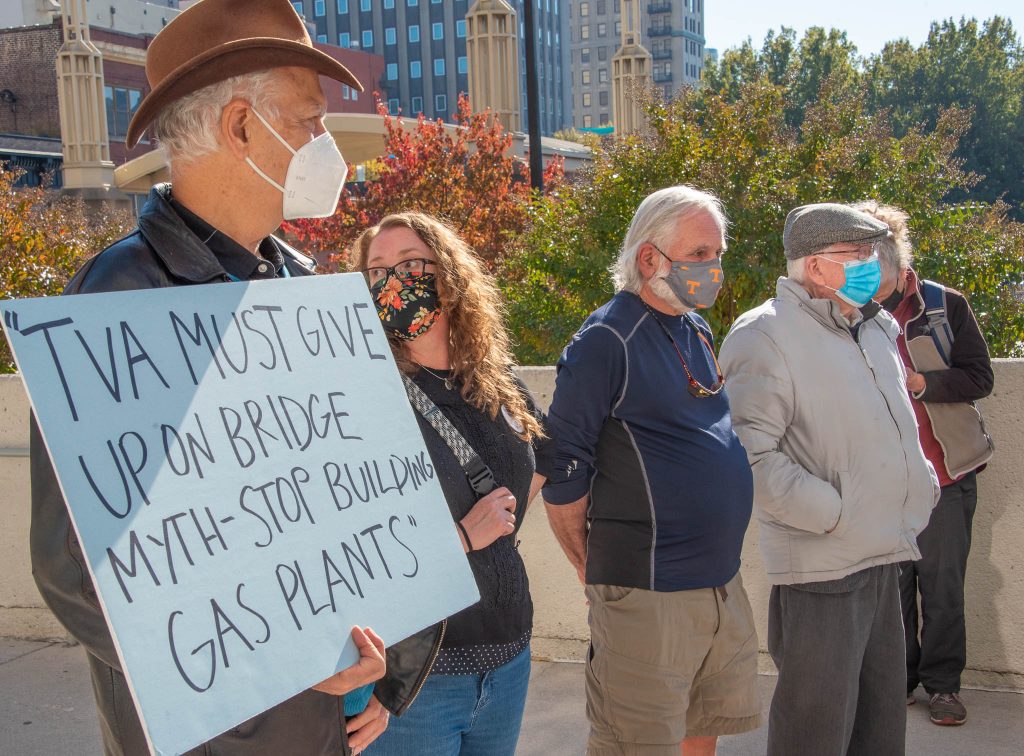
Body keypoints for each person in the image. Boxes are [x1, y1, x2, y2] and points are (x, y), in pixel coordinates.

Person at [29, 2, 437, 754]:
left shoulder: (305, 285)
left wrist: (390, 672)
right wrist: (265, 670)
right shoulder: (121, 296)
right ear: (242, 127)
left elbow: (362, 505)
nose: (326, 143)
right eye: (310, 121)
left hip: (322, 727)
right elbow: (74, 571)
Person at [542, 186, 761, 756]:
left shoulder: (694, 327)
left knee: (700, 731)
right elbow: (562, 468)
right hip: (648, 594)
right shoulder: (606, 339)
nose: (713, 268)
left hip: (718, 583)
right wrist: (593, 570)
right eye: (699, 255)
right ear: (649, 259)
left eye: (717, 253)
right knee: (634, 745)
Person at [719, 203, 941, 755]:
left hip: (880, 553)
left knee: (879, 727)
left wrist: (920, 485)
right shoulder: (764, 334)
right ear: (815, 267)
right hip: (823, 569)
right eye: (858, 254)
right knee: (814, 733)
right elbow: (747, 456)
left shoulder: (868, 326)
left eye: (873, 252)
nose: (872, 264)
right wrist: (832, 511)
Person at [352, 212, 554, 756]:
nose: (394, 279)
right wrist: (465, 538)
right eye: (378, 269)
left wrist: (503, 524)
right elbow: (351, 543)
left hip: (508, 655)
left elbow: (546, 454)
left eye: (411, 263)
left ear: (449, 275)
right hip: (417, 675)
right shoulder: (363, 394)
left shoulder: (492, 377)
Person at [855, 200, 994, 726]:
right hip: (884, 480)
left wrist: (922, 384)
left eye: (868, 263)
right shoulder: (851, 312)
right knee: (891, 592)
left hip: (947, 474)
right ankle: (898, 683)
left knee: (943, 591)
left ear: (894, 259)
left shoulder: (943, 304)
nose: (860, 275)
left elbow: (980, 378)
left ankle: (942, 688)